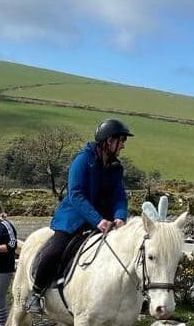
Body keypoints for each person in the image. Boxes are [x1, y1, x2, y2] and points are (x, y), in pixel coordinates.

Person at [26, 118, 133, 314]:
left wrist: (120, 217)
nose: (123, 146)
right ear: (109, 141)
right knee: (54, 251)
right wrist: (97, 220)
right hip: (75, 218)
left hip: (105, 220)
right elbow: (76, 194)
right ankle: (37, 292)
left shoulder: (116, 167)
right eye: (121, 141)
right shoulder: (83, 160)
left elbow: (119, 195)